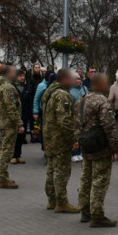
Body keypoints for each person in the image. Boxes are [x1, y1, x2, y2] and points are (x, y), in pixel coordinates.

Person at [76, 72, 118, 227]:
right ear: (100, 84)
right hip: (101, 148)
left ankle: (85, 211)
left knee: (86, 178)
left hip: (86, 145)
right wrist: (116, 148)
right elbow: (109, 127)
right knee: (99, 180)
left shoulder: (81, 100)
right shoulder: (103, 102)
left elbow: (76, 123)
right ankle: (97, 215)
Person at [42, 68, 80, 213]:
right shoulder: (62, 95)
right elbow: (65, 121)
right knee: (61, 171)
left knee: (51, 170)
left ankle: (52, 200)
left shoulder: (49, 91)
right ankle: (61, 202)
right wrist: (73, 139)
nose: (72, 83)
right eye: (71, 80)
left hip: (49, 137)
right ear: (64, 79)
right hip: (60, 138)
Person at [0, 65, 21, 189]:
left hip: (3, 122)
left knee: (2, 149)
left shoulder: (1, 86)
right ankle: (3, 179)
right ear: (8, 73)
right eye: (14, 72)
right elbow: (11, 107)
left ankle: (2, 176)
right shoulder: (7, 88)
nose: (16, 73)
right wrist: (18, 123)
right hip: (8, 123)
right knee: (6, 151)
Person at [11, 70, 31, 164]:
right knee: (14, 136)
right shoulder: (12, 87)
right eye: (20, 76)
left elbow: (30, 100)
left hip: (24, 114)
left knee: (21, 136)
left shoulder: (27, 87)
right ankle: (13, 155)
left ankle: (18, 155)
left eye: (23, 76)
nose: (22, 78)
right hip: (14, 114)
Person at [69, 75, 87, 163]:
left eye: (79, 79)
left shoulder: (84, 88)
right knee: (75, 134)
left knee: (82, 133)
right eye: (76, 79)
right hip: (74, 114)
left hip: (84, 114)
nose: (78, 81)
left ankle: (80, 152)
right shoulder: (69, 90)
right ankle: (74, 153)